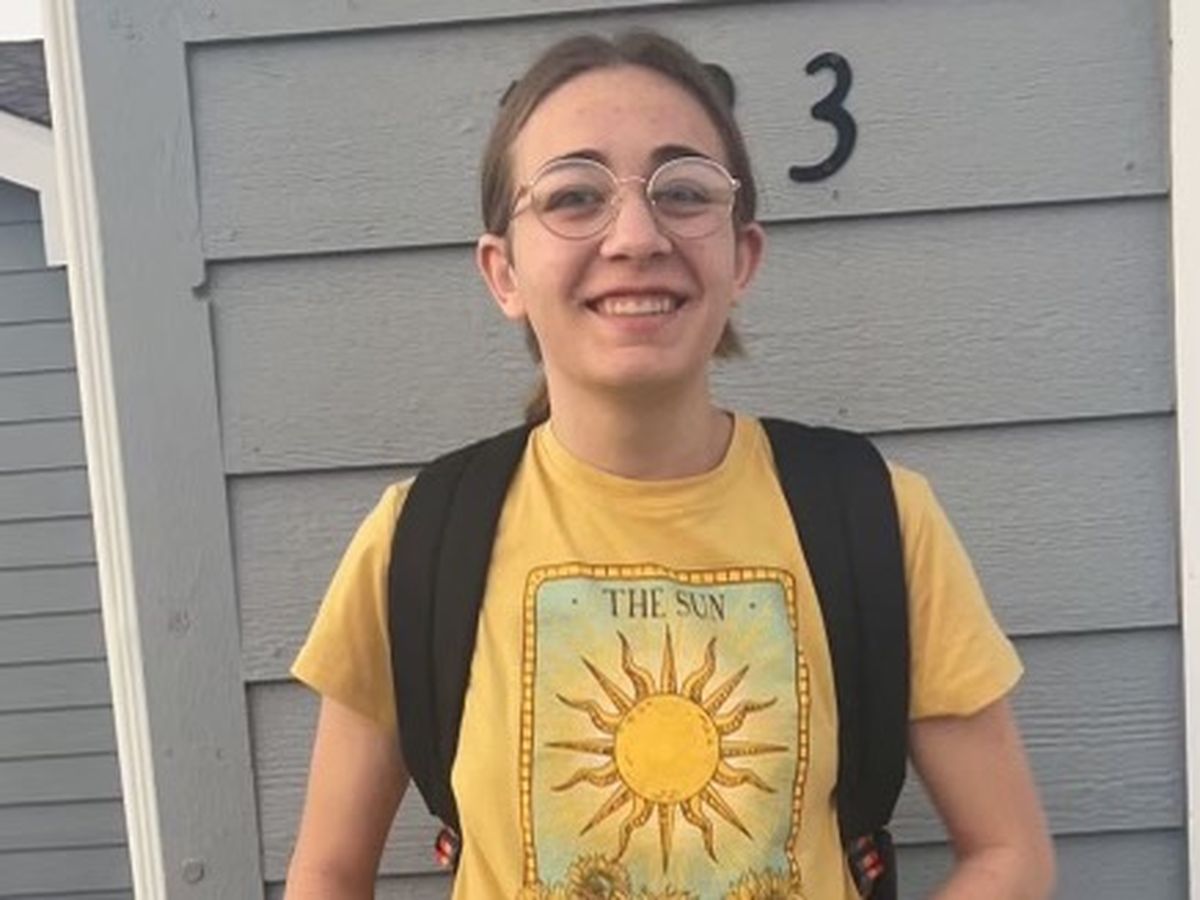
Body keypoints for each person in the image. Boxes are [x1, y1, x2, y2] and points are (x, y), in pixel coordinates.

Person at [283, 30, 1055, 900]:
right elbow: (329, 871)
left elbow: (1009, 853)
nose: (636, 236)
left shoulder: (878, 520)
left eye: (683, 192)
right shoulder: (420, 543)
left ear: (742, 257)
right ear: (504, 273)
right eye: (575, 196)